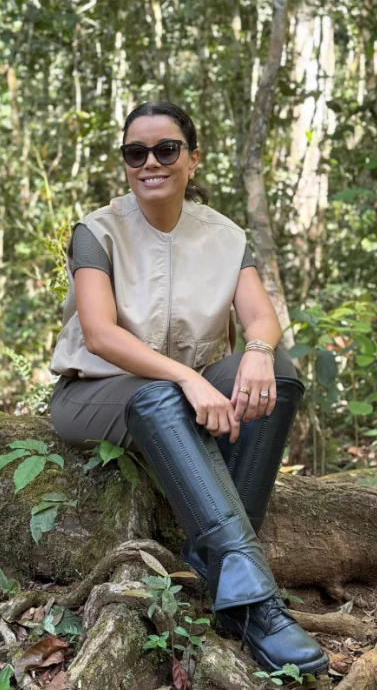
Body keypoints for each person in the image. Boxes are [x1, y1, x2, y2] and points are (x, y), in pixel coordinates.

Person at [49, 101, 329, 676]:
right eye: (136, 152)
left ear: (193, 159)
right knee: (159, 396)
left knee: (280, 372)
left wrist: (257, 351)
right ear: (126, 163)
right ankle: (256, 604)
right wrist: (187, 377)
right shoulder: (97, 230)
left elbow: (262, 318)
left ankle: (222, 574)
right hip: (98, 393)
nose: (150, 162)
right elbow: (100, 335)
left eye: (166, 149)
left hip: (189, 393)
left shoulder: (224, 235)